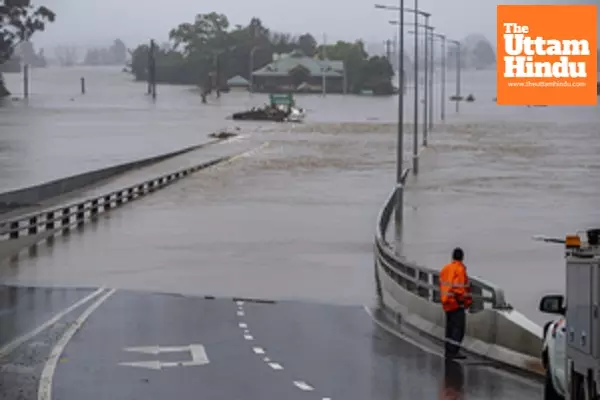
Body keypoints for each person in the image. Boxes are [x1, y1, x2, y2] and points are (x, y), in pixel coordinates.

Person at [439, 247, 472, 359]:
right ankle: (454, 351)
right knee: (458, 329)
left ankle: (448, 350)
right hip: (456, 303)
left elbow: (443, 284)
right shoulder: (460, 269)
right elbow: (459, 289)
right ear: (462, 257)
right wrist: (465, 302)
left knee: (449, 328)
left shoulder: (445, 268)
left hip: (446, 303)